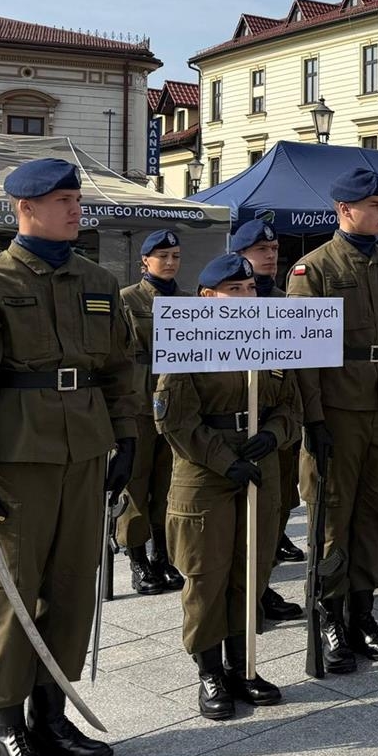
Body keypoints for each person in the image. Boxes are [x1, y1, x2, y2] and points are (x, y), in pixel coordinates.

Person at [0, 158, 136, 756]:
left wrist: (128, 437)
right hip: (18, 458)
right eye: (62, 200)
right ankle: (8, 724)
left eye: (77, 199)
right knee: (13, 590)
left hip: (85, 450)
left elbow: (119, 367)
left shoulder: (98, 280)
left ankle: (51, 715)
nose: (76, 209)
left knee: (73, 584)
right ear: (26, 209)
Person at [291, 166, 378, 666]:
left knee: (376, 511)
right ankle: (329, 614)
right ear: (344, 210)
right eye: (374, 206)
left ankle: (362, 611)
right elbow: (302, 354)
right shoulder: (314, 270)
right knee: (333, 514)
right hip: (338, 408)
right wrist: (313, 419)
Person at [154, 252, 300, 719]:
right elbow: (175, 419)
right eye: (234, 290)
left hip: (260, 464)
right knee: (206, 574)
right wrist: (224, 460)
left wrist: (274, 434)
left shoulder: (271, 339)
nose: (246, 296)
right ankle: (210, 671)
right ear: (207, 297)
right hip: (205, 471)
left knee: (251, 568)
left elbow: (291, 404)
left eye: (250, 288)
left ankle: (242, 666)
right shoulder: (187, 341)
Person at [230, 218, 304, 623]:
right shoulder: (218, 299)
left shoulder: (285, 303)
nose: (271, 256)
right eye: (261, 250)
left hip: (279, 427)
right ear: (240, 254)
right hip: (233, 430)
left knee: (277, 507)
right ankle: (238, 596)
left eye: (274, 250)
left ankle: (262, 584)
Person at [117, 230, 185, 596]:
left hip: (177, 406)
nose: (170, 262)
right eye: (163, 256)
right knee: (136, 483)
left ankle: (163, 554)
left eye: (175, 256)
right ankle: (137, 557)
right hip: (140, 405)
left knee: (168, 484)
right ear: (145, 261)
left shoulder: (188, 301)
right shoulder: (127, 299)